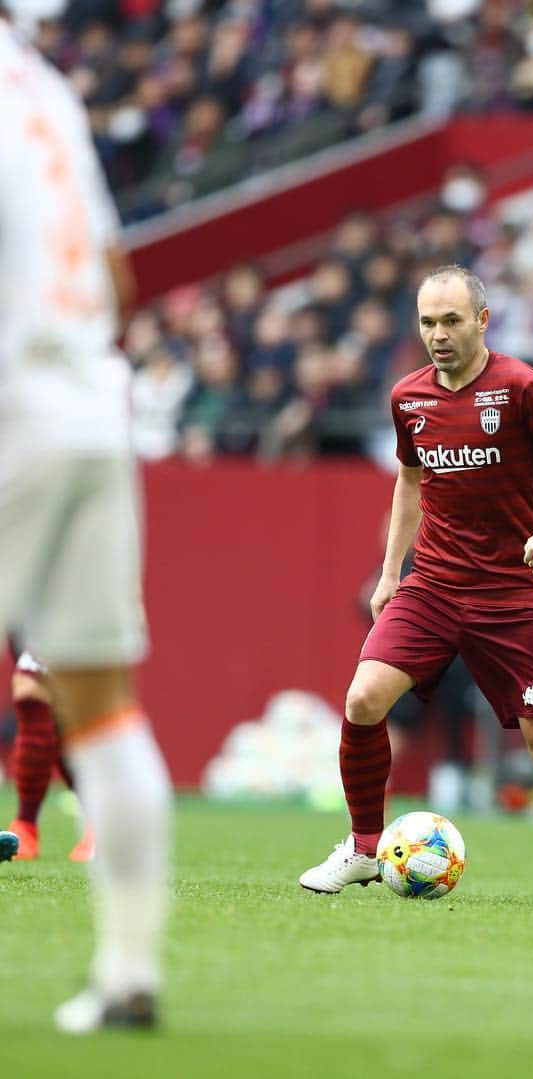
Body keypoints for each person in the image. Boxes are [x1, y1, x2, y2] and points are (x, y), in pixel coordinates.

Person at [298, 264, 533, 906]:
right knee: (363, 699)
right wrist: (392, 572)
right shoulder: (408, 398)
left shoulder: (524, 386)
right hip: (433, 585)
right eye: (426, 322)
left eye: (451, 321)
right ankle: (364, 849)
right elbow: (411, 482)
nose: (438, 335)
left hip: (511, 592)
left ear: (481, 321)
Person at [0, 2, 173, 1030]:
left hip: (12, 408)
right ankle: (128, 973)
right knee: (103, 711)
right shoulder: (49, 92)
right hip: (90, 412)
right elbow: (116, 274)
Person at [5, 648, 95, 861]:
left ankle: (106, 823)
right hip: (37, 624)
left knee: (34, 689)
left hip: (79, 624)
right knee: (43, 709)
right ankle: (25, 826)